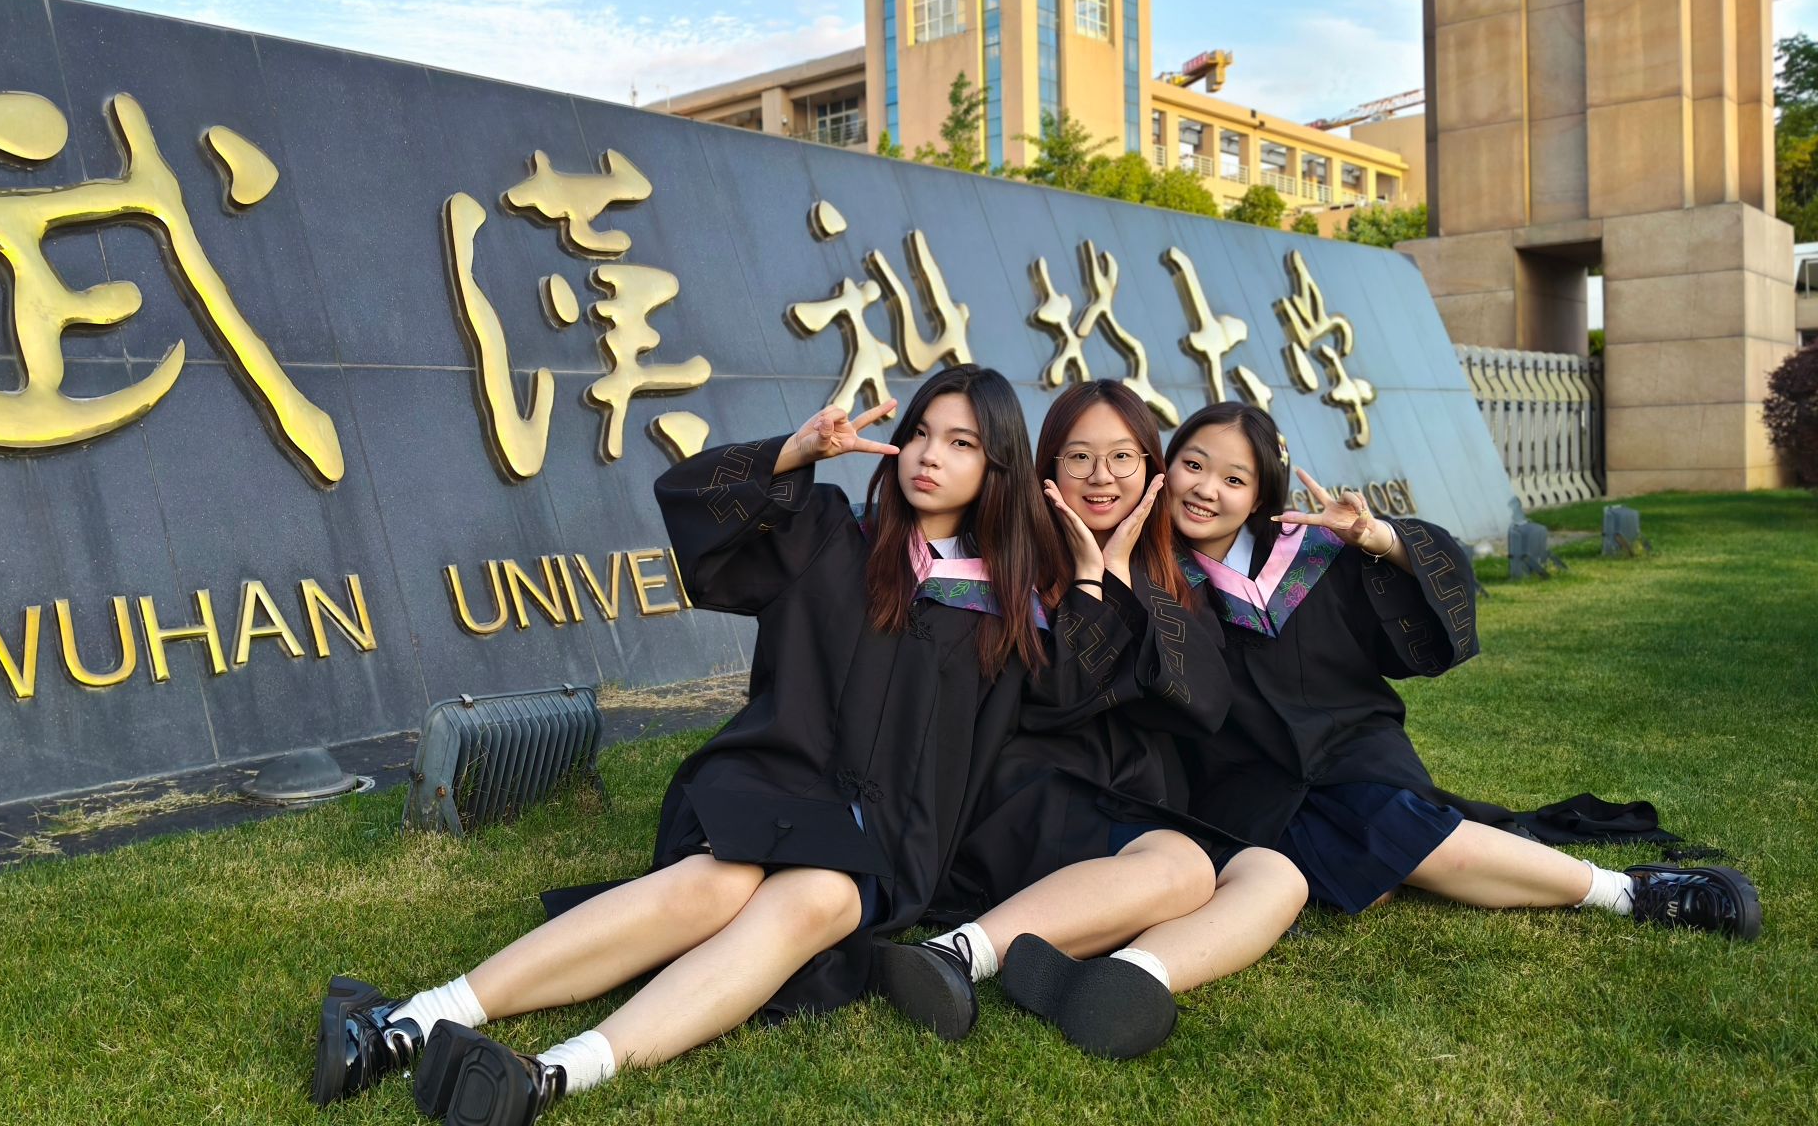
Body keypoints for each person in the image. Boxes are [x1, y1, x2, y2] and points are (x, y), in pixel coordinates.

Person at [311, 367, 1120, 1125]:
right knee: (718, 882)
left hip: (880, 843)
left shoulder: (1006, 610)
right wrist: (792, 453)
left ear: (998, 470)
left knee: (825, 898)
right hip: (772, 783)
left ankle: (550, 1073)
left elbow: (1066, 707)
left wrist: (1090, 577)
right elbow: (693, 509)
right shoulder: (828, 533)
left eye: (961, 443)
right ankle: (412, 1020)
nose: (928, 456)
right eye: (920, 434)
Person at [1159, 401, 1760, 938]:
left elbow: (1426, 612)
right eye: (1193, 465)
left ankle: (1628, 892)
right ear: (1167, 465)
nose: (1206, 489)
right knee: (1369, 867)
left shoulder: (1309, 551)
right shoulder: (1146, 572)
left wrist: (1377, 538)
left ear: (1260, 496)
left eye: (1234, 479)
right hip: (1245, 777)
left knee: (1392, 832)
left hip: (1349, 747)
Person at [871, 380, 1308, 1060]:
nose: (1101, 477)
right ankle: (954, 954)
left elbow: (1204, 702)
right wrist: (1085, 578)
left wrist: (1121, 573)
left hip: (1125, 798)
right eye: (1078, 457)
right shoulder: (1006, 564)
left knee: (1277, 877)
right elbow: (1056, 698)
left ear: (1150, 469)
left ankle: (1125, 977)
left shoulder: (1166, 574)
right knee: (1180, 868)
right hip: (1027, 794)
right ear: (1047, 467)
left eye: (1122, 458)